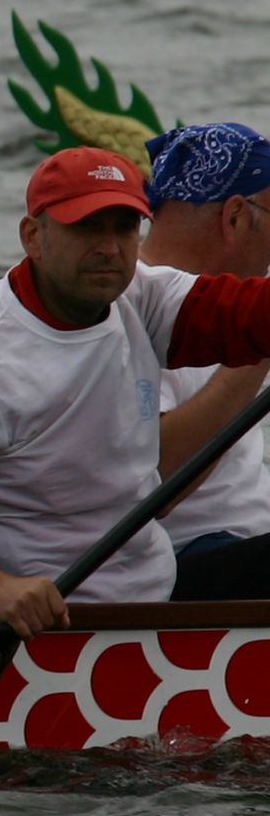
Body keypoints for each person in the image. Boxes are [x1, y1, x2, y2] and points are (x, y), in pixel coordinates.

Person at [0, 145, 270, 629]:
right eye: (86, 226)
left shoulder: (142, 297)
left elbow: (251, 314)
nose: (109, 247)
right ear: (33, 236)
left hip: (148, 603)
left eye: (124, 227)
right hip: (33, 627)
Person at [139, 124, 270, 593]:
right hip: (173, 563)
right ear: (235, 217)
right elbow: (153, 482)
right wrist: (257, 346)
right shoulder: (125, 307)